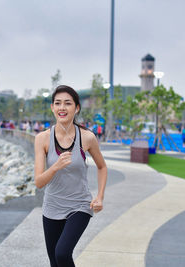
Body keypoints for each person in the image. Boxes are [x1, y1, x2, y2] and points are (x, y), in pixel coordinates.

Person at [34, 85, 108, 267]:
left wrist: (99, 197)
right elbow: (39, 183)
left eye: (68, 103)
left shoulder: (87, 138)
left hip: (79, 205)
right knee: (55, 262)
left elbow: (102, 166)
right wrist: (55, 167)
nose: (62, 108)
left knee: (62, 253)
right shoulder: (42, 139)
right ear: (52, 107)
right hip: (52, 206)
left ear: (76, 108)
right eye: (58, 103)